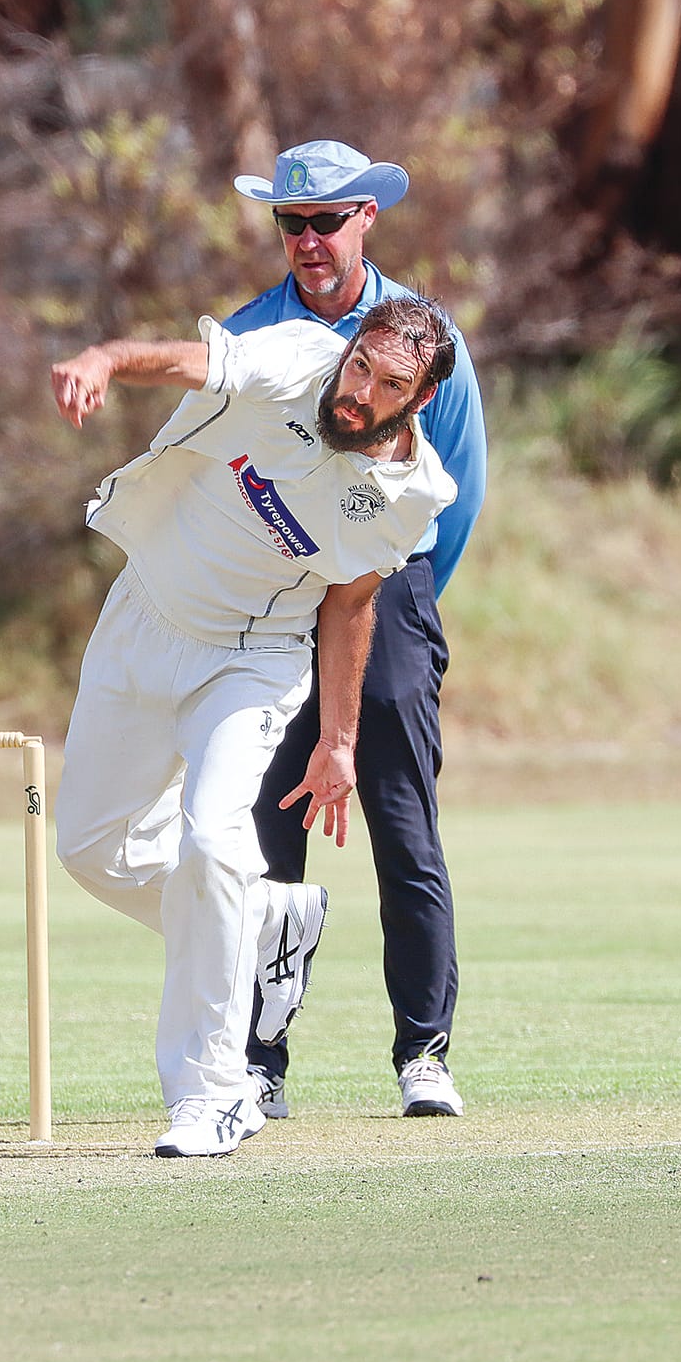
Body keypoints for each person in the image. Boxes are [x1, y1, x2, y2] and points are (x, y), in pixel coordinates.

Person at [49, 296, 457, 1156]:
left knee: (212, 844)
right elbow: (185, 361)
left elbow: (351, 605)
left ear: (418, 399)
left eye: (387, 385)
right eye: (359, 367)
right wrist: (105, 360)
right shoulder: (296, 359)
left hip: (253, 657)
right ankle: (265, 921)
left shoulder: (413, 492)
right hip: (144, 615)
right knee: (87, 847)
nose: (357, 393)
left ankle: (216, 1094)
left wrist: (337, 741)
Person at [226, 141, 487, 1118]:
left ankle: (422, 1053)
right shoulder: (251, 334)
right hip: (278, 602)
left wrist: (395, 594)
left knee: (402, 831)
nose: (305, 240)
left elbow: (454, 489)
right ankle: (258, 1061)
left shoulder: (423, 338)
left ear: (362, 221)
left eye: (323, 221)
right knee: (265, 838)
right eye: (289, 223)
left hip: (392, 592)